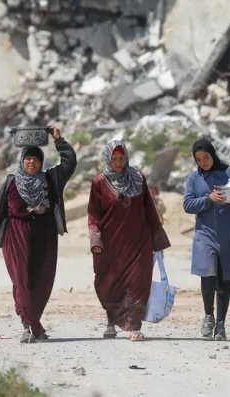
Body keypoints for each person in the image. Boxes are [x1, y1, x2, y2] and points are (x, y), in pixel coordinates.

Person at [0, 125, 77, 344]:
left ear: (40, 163)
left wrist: (58, 140)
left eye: (35, 159)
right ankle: (29, 325)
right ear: (21, 161)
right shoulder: (11, 182)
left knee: (41, 283)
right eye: (27, 159)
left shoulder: (51, 180)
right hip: (15, 239)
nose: (31, 162)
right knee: (22, 282)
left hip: (44, 239)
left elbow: (70, 162)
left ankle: (34, 323)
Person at [88, 140, 171, 342]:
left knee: (138, 283)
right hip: (111, 245)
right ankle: (111, 320)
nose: (118, 163)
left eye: (121, 158)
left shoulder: (138, 178)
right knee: (108, 284)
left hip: (138, 243)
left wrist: (157, 239)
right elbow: (93, 215)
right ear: (108, 159)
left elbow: (149, 211)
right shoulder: (99, 182)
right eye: (114, 159)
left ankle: (134, 325)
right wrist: (95, 241)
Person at [183, 137, 230, 341]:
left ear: (213, 154)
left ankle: (221, 323)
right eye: (198, 159)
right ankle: (209, 316)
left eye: (206, 157)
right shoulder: (194, 179)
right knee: (208, 275)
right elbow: (187, 205)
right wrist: (208, 199)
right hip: (205, 235)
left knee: (225, 279)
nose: (203, 162)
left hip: (228, 235)